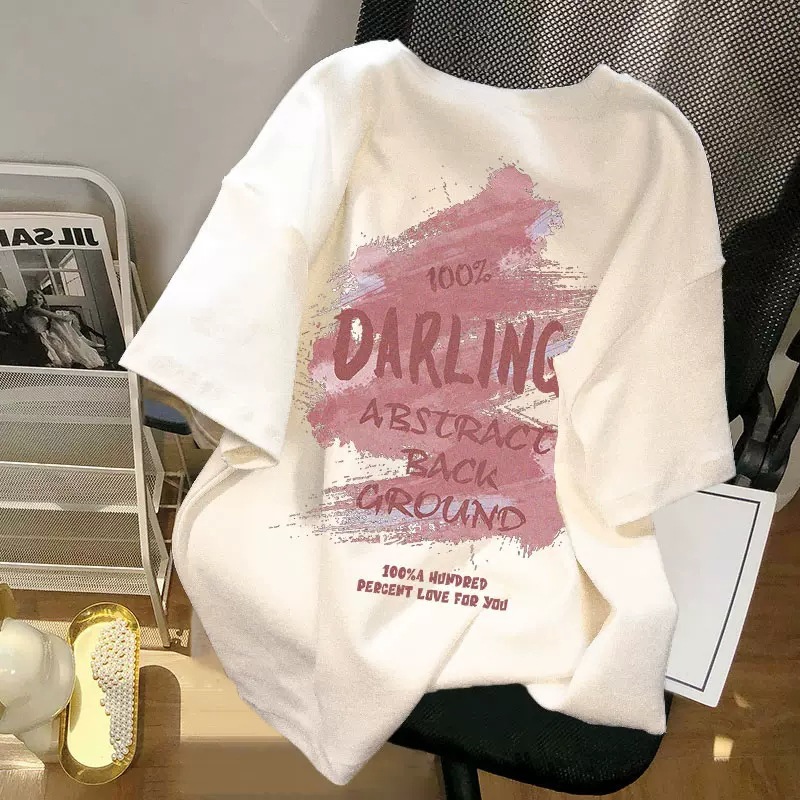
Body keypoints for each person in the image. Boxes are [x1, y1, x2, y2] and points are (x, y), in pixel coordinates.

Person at [22, 289, 104, 369]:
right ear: (29, 299)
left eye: (40, 298)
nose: (37, 301)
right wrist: (73, 316)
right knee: (61, 321)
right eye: (34, 299)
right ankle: (83, 340)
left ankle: (82, 340)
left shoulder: (31, 310)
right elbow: (62, 318)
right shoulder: (35, 309)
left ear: (43, 299)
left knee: (59, 322)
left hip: (45, 334)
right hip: (42, 337)